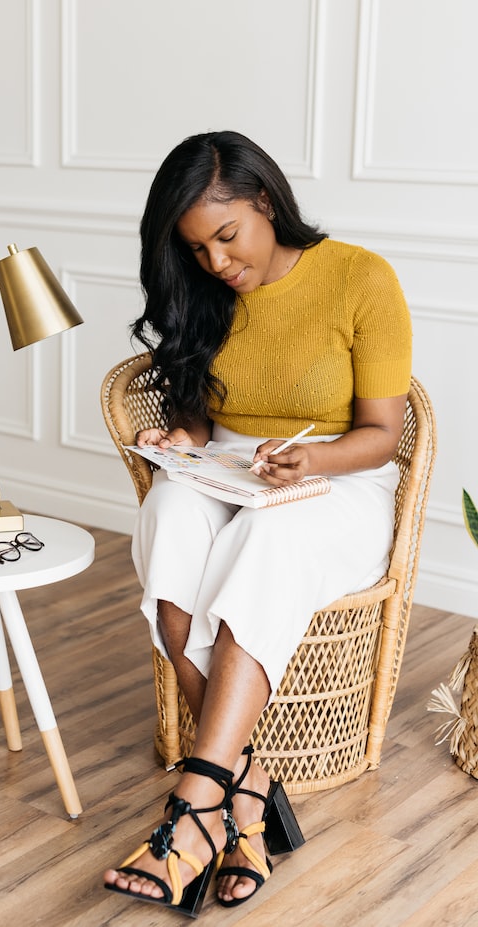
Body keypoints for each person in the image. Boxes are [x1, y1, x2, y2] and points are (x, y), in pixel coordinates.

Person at [103, 130, 412, 916]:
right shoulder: (207, 293)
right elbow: (206, 415)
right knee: (169, 511)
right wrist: (185, 442)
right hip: (233, 469)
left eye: (226, 237)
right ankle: (244, 783)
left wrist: (311, 464)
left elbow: (381, 435)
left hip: (338, 475)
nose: (215, 263)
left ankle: (199, 796)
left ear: (266, 202)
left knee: (272, 534)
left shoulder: (361, 278)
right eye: (196, 248)